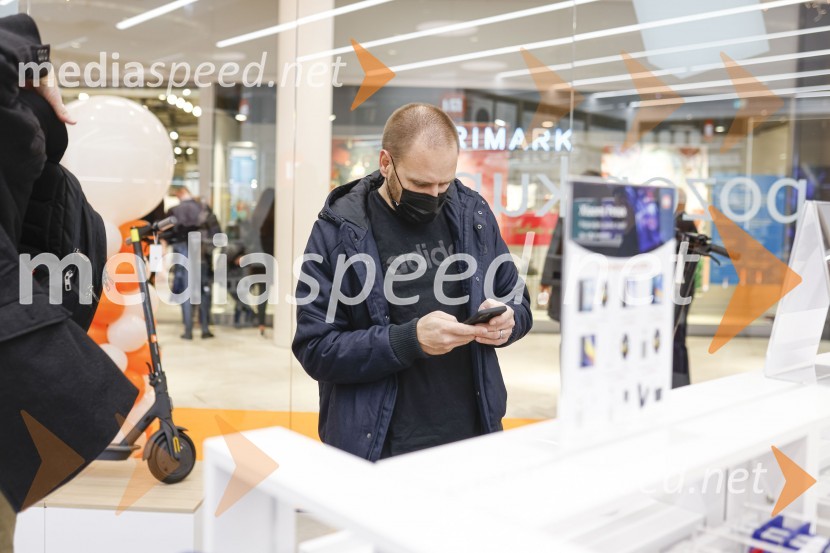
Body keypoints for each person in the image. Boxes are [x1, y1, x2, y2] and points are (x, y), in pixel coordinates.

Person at [292, 103, 533, 461]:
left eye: (445, 183)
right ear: (385, 163)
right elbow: (316, 349)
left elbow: (518, 301)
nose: (434, 196)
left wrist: (507, 323)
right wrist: (408, 340)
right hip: (378, 448)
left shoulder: (474, 215)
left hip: (474, 439)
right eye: (420, 183)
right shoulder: (338, 233)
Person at [166, 186, 219, 340]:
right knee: (204, 292)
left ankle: (188, 330)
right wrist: (207, 250)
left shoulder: (173, 211)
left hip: (183, 258)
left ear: (179, 195)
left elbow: (168, 235)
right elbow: (217, 235)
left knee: (186, 293)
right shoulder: (205, 209)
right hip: (201, 257)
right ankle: (205, 328)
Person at [673, 188, 698, 388]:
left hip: (680, 290)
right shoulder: (682, 222)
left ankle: (680, 382)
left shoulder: (683, 223)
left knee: (677, 337)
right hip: (679, 289)